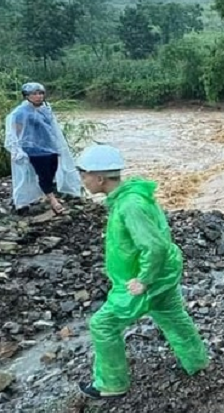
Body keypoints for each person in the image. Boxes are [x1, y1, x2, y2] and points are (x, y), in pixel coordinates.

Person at [74, 144, 209, 398]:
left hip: (148, 279)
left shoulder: (130, 205)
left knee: (102, 325)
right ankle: (197, 361)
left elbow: (154, 246)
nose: (82, 179)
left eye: (84, 174)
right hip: (164, 273)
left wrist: (144, 280)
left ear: (99, 178)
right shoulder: (131, 196)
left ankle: (111, 384)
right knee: (172, 316)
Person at [4, 82, 81, 214]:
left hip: (50, 148)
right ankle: (52, 200)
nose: (38, 96)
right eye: (34, 94)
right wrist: (17, 150)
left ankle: (45, 194)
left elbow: (52, 129)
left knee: (51, 172)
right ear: (26, 96)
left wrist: (58, 145)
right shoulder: (20, 112)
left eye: (41, 93)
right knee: (43, 174)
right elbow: (15, 132)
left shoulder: (45, 109)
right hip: (33, 150)